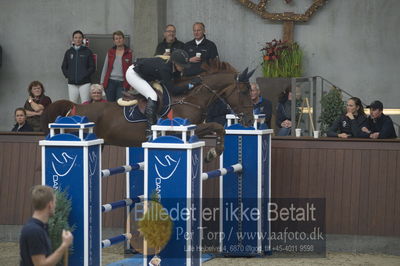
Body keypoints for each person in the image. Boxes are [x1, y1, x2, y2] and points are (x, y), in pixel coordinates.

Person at [125, 49, 202, 137]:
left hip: (147, 75)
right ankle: (150, 129)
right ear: (174, 63)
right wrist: (191, 85)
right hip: (134, 74)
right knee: (152, 96)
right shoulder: (165, 69)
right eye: (182, 65)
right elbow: (173, 90)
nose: (183, 67)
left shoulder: (172, 66)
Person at [19, 185, 73, 266]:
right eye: (55, 202)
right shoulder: (34, 231)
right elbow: (41, 264)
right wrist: (64, 246)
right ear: (50, 205)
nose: (55, 206)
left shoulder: (40, 227)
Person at [61, 30, 95, 103]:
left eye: (80, 37)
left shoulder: (87, 51)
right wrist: (69, 76)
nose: (78, 39)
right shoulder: (69, 52)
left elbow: (92, 67)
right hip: (72, 84)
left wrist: (84, 75)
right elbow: (64, 67)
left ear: (82, 39)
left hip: (85, 83)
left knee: (85, 104)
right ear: (73, 39)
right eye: (76, 37)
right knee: (72, 104)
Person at [100, 30, 133, 102]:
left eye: (120, 38)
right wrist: (102, 82)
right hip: (110, 83)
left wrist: (132, 84)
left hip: (122, 83)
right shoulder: (110, 52)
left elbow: (132, 70)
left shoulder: (129, 53)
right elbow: (105, 67)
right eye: (116, 39)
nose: (118, 40)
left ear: (123, 39)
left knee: (119, 103)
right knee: (109, 104)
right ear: (114, 41)